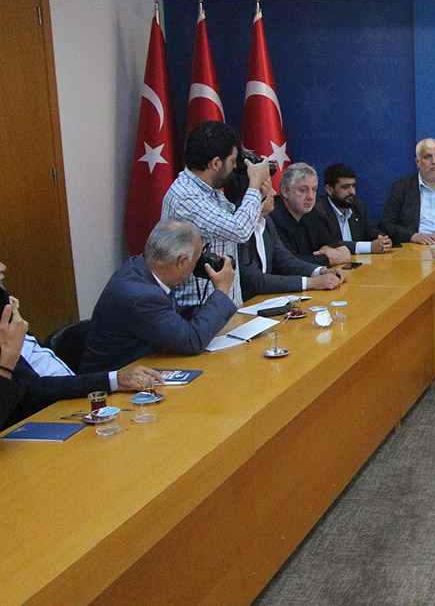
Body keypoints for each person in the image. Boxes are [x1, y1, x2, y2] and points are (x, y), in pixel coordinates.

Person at [0, 260, 160, 428]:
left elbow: (36, 385)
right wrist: (6, 362)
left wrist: (114, 380)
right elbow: (32, 392)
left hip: (69, 404)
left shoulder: (9, 323)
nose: (3, 266)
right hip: (37, 424)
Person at [81, 219, 239, 373]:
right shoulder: (141, 296)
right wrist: (222, 289)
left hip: (146, 364)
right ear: (182, 262)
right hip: (114, 382)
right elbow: (193, 341)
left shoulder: (139, 267)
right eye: (197, 260)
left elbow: (172, 318)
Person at [161, 120, 269, 308]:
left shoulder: (209, 190)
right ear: (216, 163)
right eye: (233, 161)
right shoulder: (185, 196)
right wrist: (254, 184)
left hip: (226, 305)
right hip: (198, 310)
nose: (235, 167)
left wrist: (259, 194)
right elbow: (239, 230)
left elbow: (232, 221)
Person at [225, 173, 346, 301]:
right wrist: (311, 282)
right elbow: (255, 281)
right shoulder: (237, 230)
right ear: (249, 196)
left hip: (264, 301)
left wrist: (320, 271)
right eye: (266, 189)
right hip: (244, 305)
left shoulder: (266, 221)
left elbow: (285, 260)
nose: (273, 193)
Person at [268, 163, 351, 267]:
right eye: (303, 190)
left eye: (314, 190)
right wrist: (328, 258)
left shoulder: (311, 213)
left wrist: (326, 248)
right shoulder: (273, 218)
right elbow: (289, 262)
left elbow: (332, 243)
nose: (311, 197)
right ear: (285, 191)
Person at [307, 163, 393, 255]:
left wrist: (383, 240)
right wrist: (369, 247)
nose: (352, 192)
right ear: (329, 189)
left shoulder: (358, 206)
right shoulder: (318, 211)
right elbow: (329, 243)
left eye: (353, 186)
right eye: (345, 187)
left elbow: (369, 230)